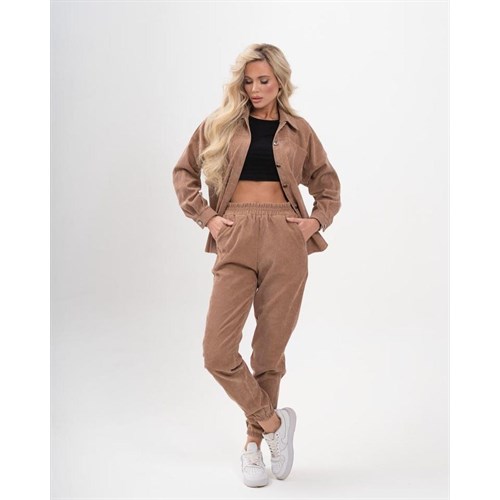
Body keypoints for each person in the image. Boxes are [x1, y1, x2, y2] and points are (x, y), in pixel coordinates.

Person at [172, 43, 341, 487]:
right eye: (248, 81)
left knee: (268, 353)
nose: (255, 88)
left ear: (280, 81)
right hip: (236, 233)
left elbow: (327, 183)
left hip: (285, 237)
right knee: (217, 353)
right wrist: (208, 217)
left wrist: (315, 221)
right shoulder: (220, 124)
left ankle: (252, 446)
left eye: (264, 80)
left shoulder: (299, 130)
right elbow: (184, 172)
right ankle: (273, 424)